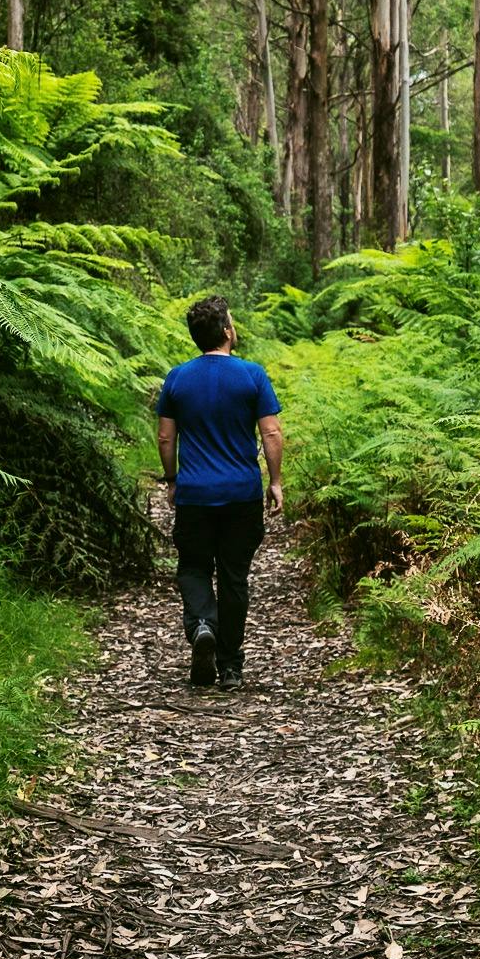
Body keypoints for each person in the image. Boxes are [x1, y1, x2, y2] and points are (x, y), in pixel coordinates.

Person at [155, 295, 283, 689]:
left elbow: (164, 437)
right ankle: (230, 667)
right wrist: (275, 481)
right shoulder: (252, 375)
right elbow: (272, 432)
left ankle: (202, 626)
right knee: (233, 578)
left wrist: (173, 479)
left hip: (194, 495)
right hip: (241, 496)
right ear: (227, 331)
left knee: (193, 567)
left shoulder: (177, 378)